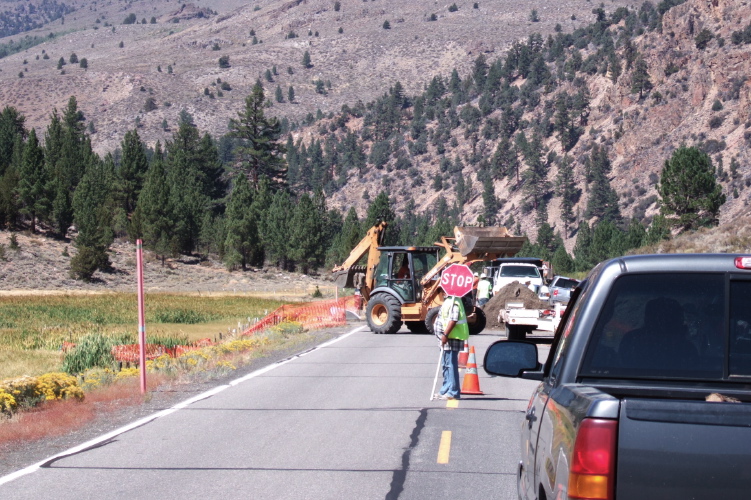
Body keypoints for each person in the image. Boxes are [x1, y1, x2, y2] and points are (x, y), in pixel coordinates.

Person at [434, 295, 469, 400]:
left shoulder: (454, 302)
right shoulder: (448, 301)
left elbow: (453, 320)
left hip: (451, 337)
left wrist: (445, 335)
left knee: (450, 365)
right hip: (446, 338)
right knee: (446, 365)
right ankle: (445, 389)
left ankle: (453, 392)